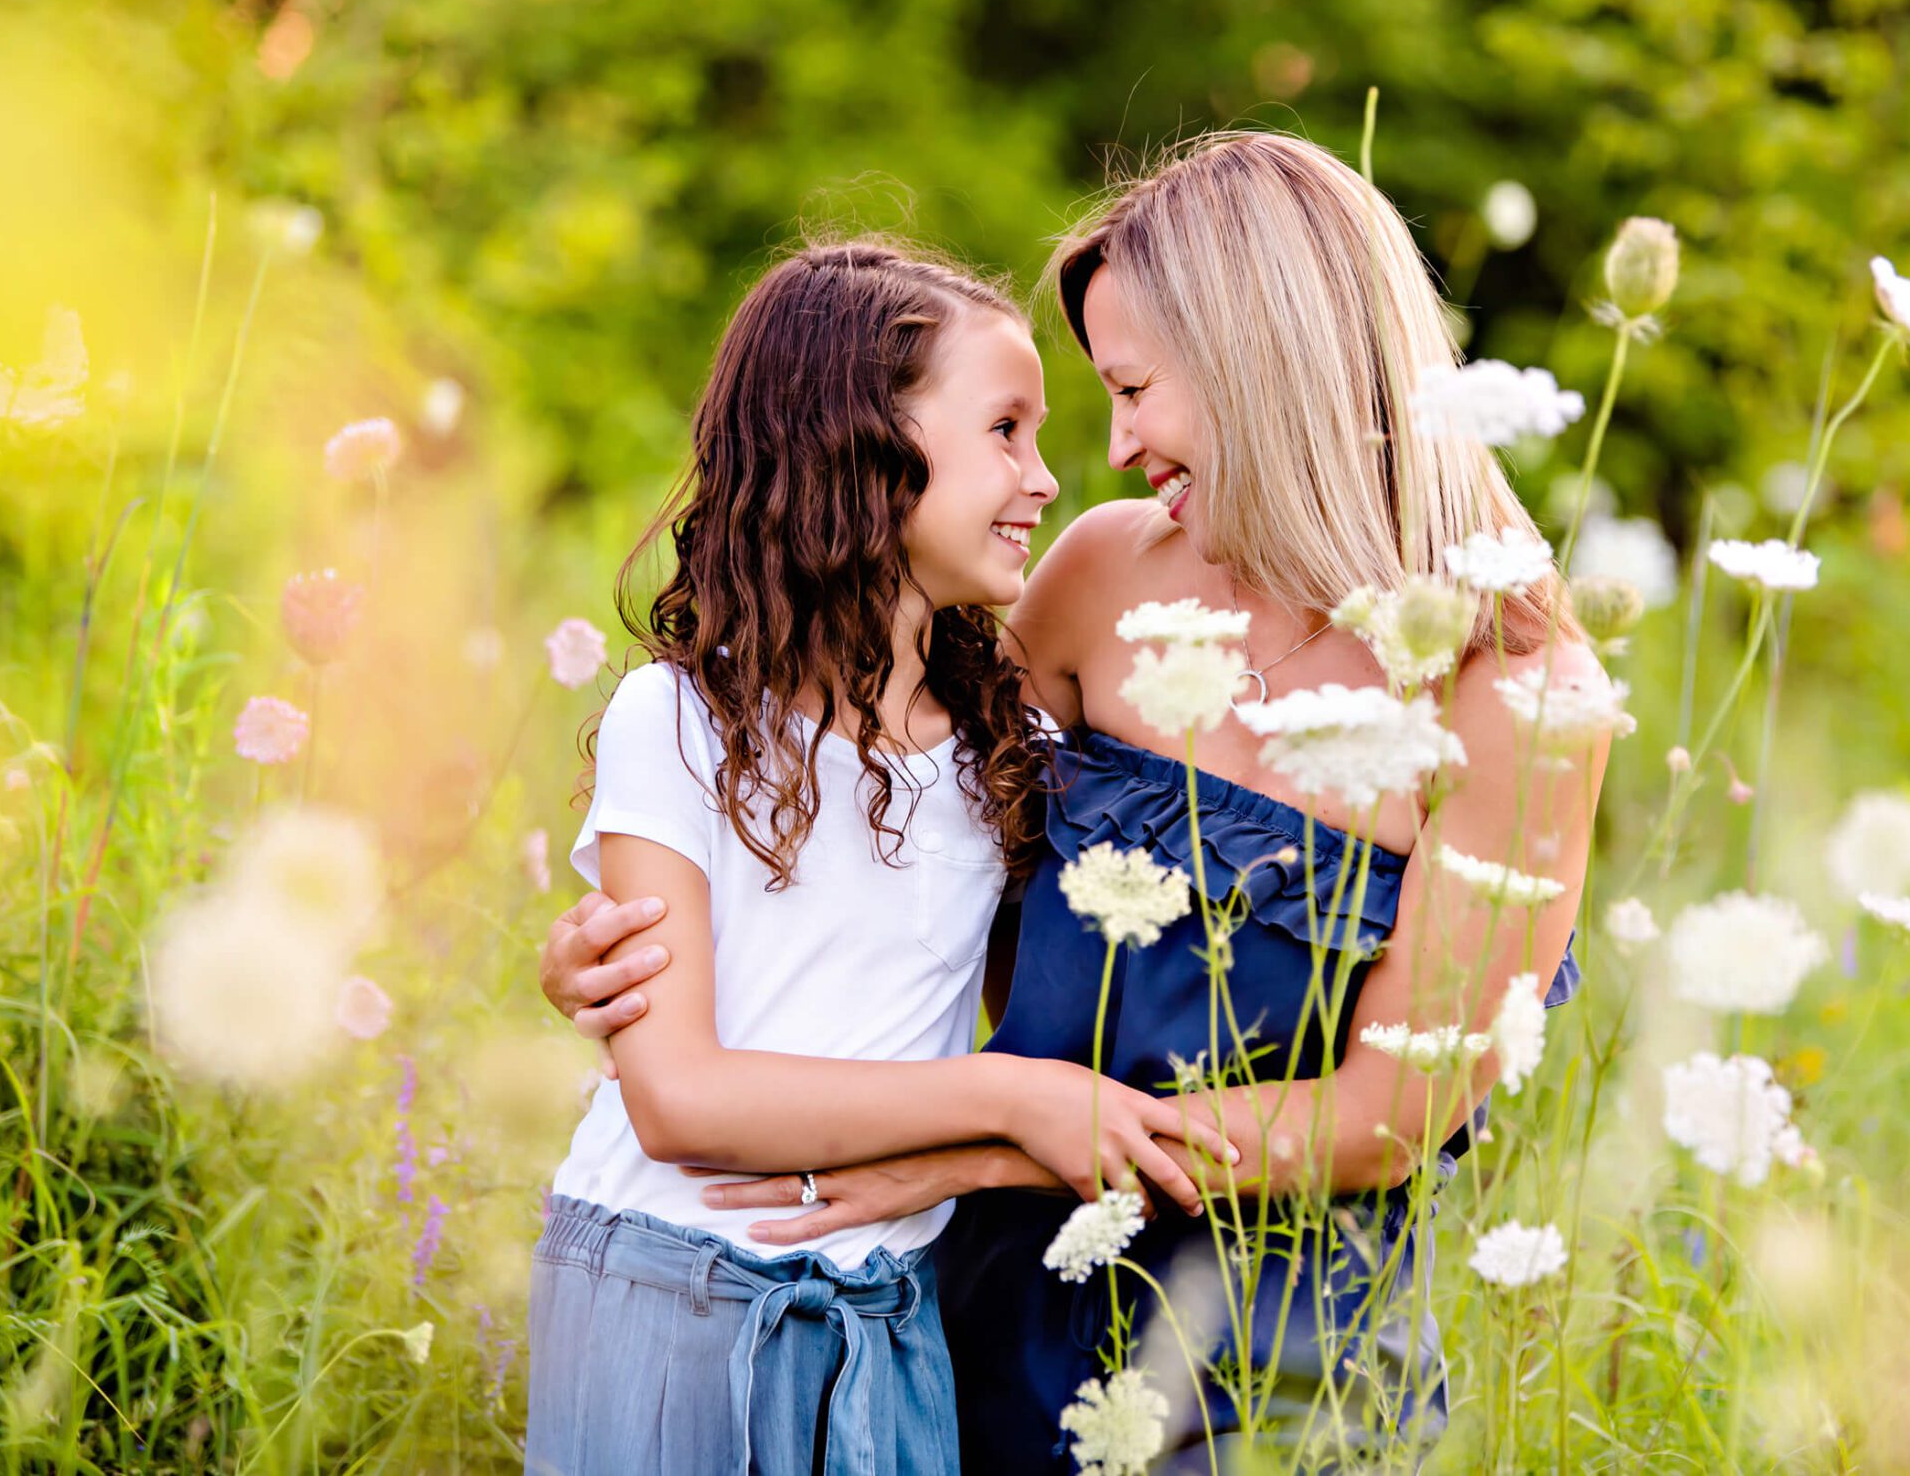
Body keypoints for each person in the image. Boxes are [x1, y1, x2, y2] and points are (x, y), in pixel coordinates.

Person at [545, 135, 1608, 1472]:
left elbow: (1388, 1112)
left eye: (1134, 390)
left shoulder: (1518, 691)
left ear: (1257, 362)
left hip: (1263, 1374)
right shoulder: (1104, 581)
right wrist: (620, 952)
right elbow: (903, 849)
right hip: (977, 1331)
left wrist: (997, 1148)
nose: (1110, 450)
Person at [526, 239, 1235, 1476]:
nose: (1046, 477)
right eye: (1005, 431)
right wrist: (1007, 1099)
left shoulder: (1006, 744)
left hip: (895, 1300)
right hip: (670, 1287)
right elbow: (681, 1099)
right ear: (860, 444)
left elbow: (1050, 1005)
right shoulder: (681, 721)